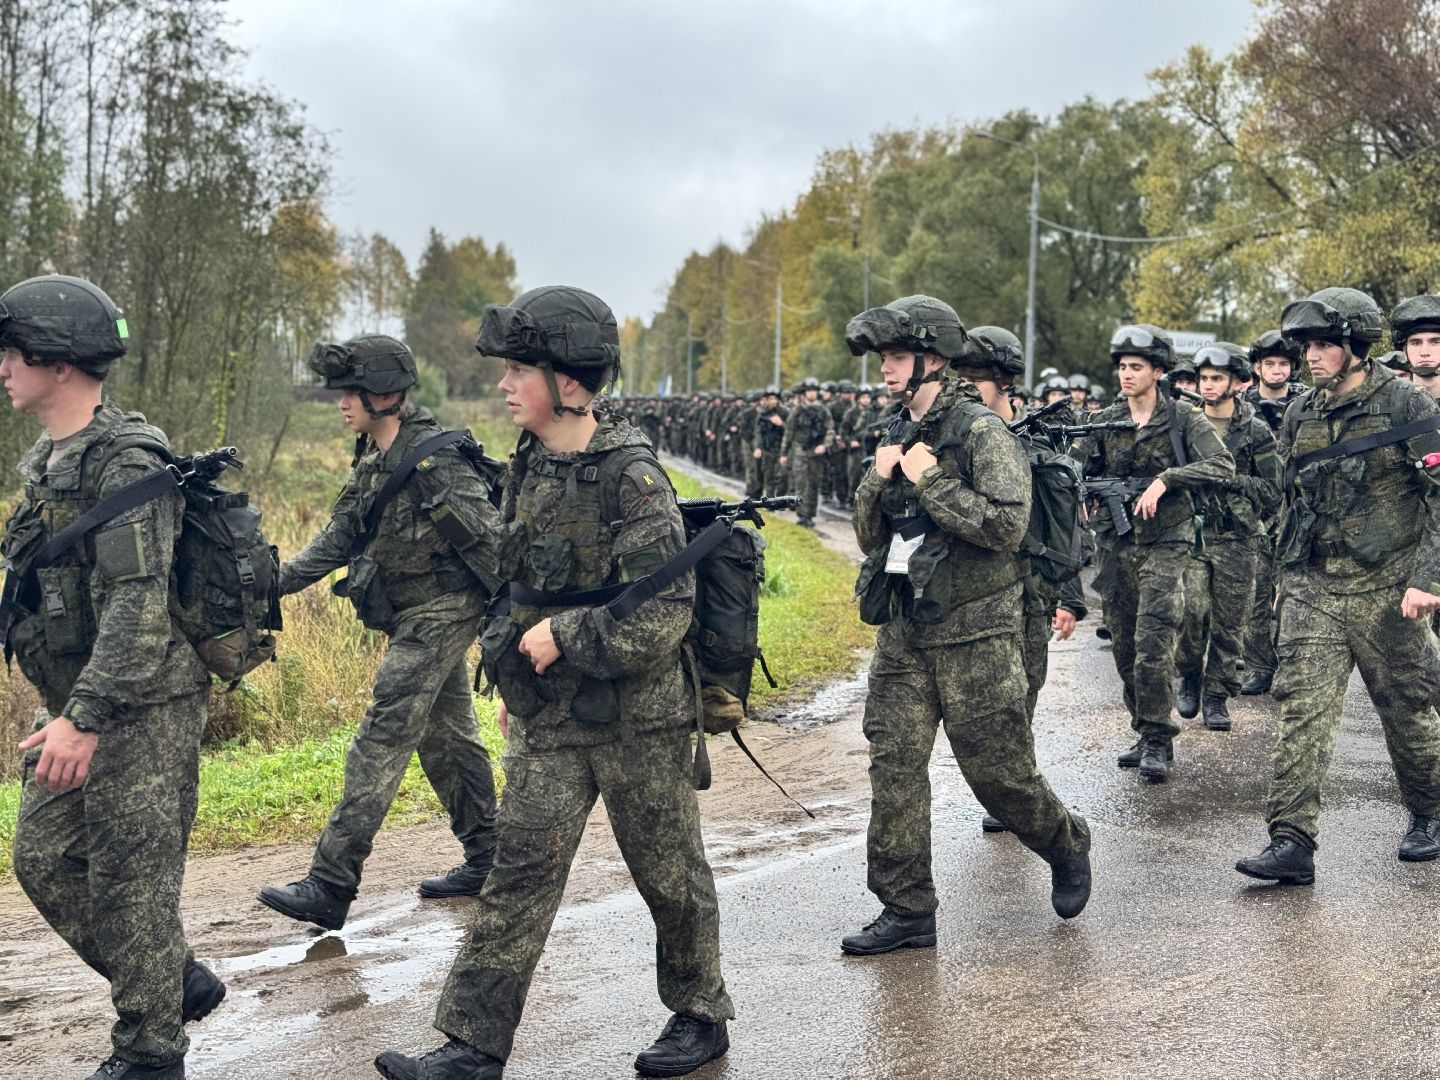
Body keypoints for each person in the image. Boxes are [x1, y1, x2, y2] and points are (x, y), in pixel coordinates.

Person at [376, 286, 733, 1080]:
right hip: (551, 716)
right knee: (518, 876)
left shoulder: (632, 476)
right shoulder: (530, 463)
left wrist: (564, 638)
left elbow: (663, 614)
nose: (503, 385)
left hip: (640, 718)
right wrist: (512, 676)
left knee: (669, 875)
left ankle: (700, 1013)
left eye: (517, 370)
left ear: (569, 379)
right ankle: (473, 1044)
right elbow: (515, 583)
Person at [2, 275, 223, 1079]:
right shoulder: (49, 460)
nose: (3, 365)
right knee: (42, 859)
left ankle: (152, 1052)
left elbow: (138, 606)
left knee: (135, 883)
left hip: (144, 705)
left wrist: (85, 716)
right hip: (79, 703)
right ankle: (172, 980)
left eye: (14, 351)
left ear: (58, 362)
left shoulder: (128, 460)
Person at [838, 295, 1093, 958]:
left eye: (897, 357)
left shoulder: (982, 432)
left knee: (998, 774)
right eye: (884, 359)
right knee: (894, 763)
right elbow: (869, 535)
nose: (886, 370)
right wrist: (877, 478)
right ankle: (906, 907)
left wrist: (929, 482)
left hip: (978, 631)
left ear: (932, 359)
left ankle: (1065, 842)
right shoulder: (896, 428)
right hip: (904, 626)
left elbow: (1007, 524)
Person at [257, 335, 506, 931]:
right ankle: (489, 857)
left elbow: (494, 547)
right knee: (446, 736)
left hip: (444, 611)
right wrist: (269, 587)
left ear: (386, 394)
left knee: (383, 734)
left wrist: (513, 628)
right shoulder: (373, 455)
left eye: (351, 392)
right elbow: (340, 537)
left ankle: (331, 882)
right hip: (411, 615)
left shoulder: (435, 463)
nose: (341, 403)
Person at [1236, 288, 1440, 884]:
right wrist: (1282, 577)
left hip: (1389, 590)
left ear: (1355, 346)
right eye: (1306, 347)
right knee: (1302, 711)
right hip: (1314, 587)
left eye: (1324, 345)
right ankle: (1291, 839)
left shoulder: (1406, 404)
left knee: (1409, 711)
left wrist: (1428, 578)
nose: (1311, 357)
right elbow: (1290, 502)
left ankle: (1429, 812)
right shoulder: (1302, 411)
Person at [1077, 325, 1234, 782]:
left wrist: (1168, 480)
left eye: (1136, 367)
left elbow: (1220, 465)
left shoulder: (1185, 419)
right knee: (1124, 645)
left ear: (1158, 371)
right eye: (1122, 367)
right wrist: (1083, 487)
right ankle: (1144, 727)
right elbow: (1077, 463)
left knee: (1153, 641)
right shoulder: (1107, 420)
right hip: (1117, 545)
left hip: (1167, 540)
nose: (1127, 374)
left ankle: (1159, 740)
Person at [961, 326, 1088, 833]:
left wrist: (1070, 599)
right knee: (982, 708)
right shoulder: (953, 440)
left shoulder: (1037, 446)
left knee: (1021, 697)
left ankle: (1017, 801)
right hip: (969, 596)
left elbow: (1067, 528)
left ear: (1003, 383)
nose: (966, 390)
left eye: (976, 381)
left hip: (1030, 593)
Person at [1174, 343, 1282, 731]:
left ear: (1238, 383)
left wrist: (1231, 479)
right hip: (1193, 535)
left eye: (1216, 378)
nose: (1206, 385)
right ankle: (1188, 673)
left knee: (1229, 624)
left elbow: (1273, 490)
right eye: (1203, 378)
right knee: (1189, 613)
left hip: (1239, 540)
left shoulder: (1255, 431)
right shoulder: (1183, 424)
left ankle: (1217, 695)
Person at [1240, 331, 1308, 696]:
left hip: (1298, 507)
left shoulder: (1307, 404)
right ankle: (1258, 666)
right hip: (1255, 508)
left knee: (1294, 593)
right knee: (1256, 591)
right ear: (1257, 367)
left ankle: (1290, 664)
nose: (1277, 370)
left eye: (1284, 364)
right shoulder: (1241, 407)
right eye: (1270, 364)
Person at [779, 376, 833, 527]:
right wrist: (784, 453)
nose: (812, 394)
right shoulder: (797, 411)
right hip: (800, 453)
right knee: (801, 484)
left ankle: (810, 514)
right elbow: (789, 433)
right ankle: (802, 514)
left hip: (816, 453)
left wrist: (825, 445)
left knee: (814, 485)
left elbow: (830, 430)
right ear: (804, 393)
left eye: (814, 391)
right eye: (809, 391)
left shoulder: (823, 411)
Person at [1391, 294, 1440, 401]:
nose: (1424, 352)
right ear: (1404, 350)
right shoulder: (1390, 403)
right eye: (1416, 343)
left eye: (1435, 342)